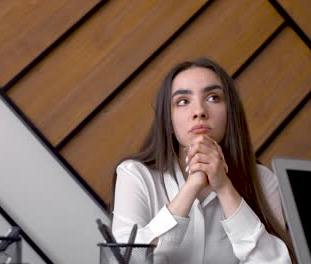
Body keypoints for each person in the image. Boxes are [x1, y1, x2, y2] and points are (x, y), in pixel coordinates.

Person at [111, 57, 296, 263]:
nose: (199, 112)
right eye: (182, 101)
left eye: (213, 98)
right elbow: (126, 260)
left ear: (229, 113)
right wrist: (193, 185)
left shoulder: (263, 179)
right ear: (169, 120)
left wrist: (224, 187)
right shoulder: (135, 174)